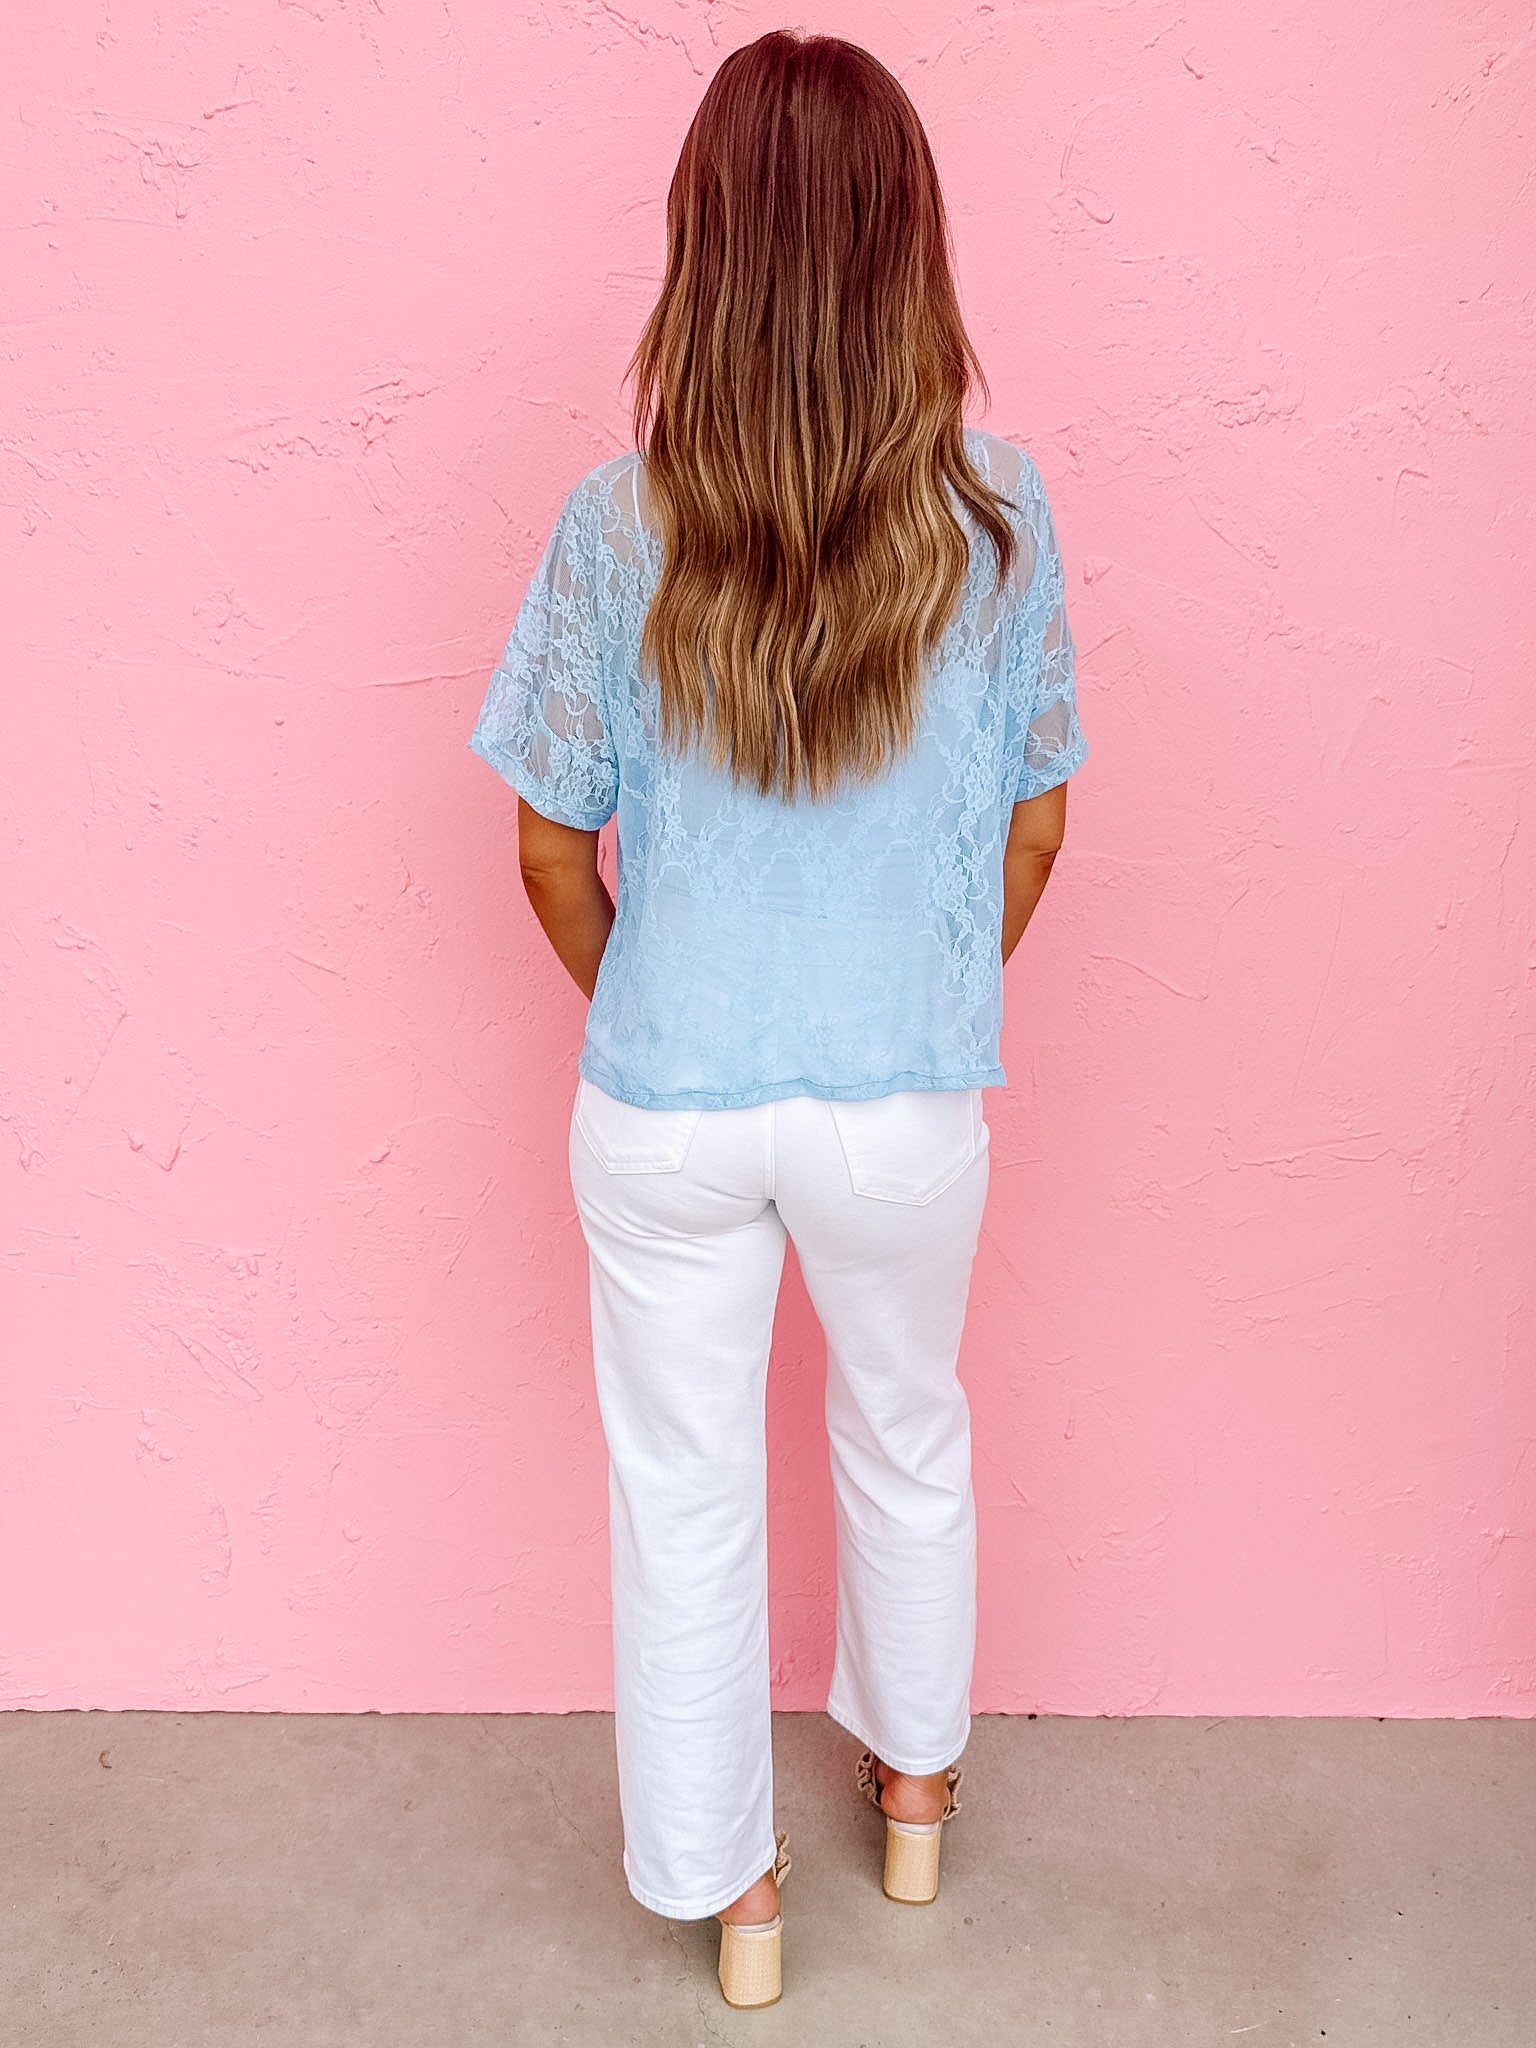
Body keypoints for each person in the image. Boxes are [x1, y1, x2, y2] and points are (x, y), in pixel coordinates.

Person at [466, 26, 1088, 2011]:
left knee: (687, 1489)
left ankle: (734, 1900)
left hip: (664, 1099)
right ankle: (915, 1802)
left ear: (701, 249)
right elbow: (1040, 820)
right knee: (909, 1430)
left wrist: (646, 991)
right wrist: (921, 985)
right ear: (910, 249)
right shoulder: (998, 518)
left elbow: (552, 853)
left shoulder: (613, 522)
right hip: (907, 1095)